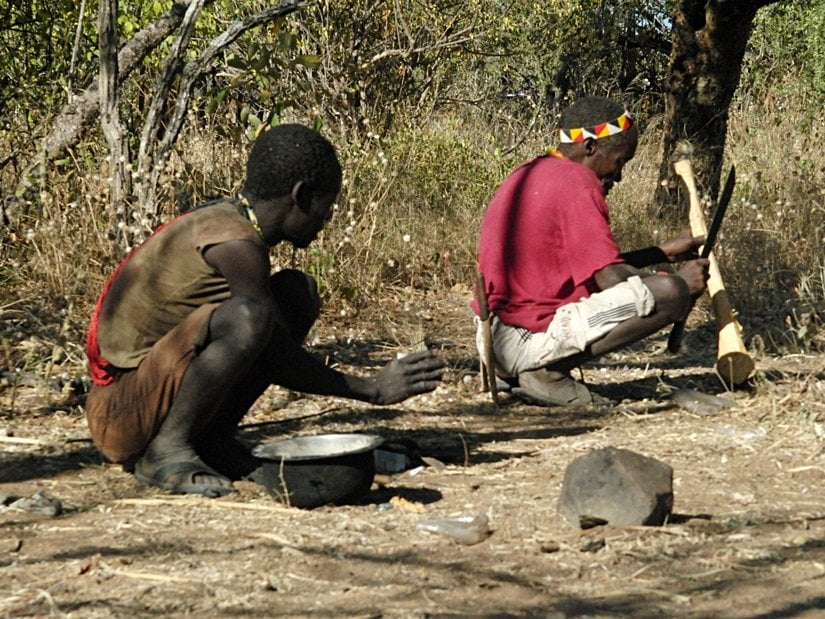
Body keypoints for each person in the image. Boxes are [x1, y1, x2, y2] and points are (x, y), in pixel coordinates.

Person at [85, 124, 445, 497]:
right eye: (328, 204)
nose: (327, 218)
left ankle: (210, 442)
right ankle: (166, 451)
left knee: (296, 293)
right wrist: (372, 390)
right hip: (120, 418)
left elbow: (271, 347)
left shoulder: (230, 223)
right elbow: (271, 349)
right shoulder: (237, 243)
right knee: (250, 318)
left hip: (141, 397)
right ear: (301, 196)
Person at [472, 96, 709, 407]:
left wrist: (659, 253)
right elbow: (611, 278)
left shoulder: (531, 171)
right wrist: (679, 282)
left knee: (661, 286)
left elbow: (586, 265)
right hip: (528, 343)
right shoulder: (578, 183)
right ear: (590, 147)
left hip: (495, 343)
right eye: (620, 160)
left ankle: (527, 370)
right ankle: (546, 371)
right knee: (668, 292)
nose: (620, 175)